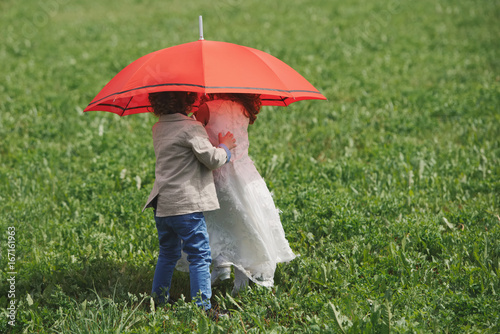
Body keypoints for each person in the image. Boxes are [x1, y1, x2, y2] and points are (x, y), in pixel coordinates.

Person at [142, 91, 236, 311]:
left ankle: (159, 300)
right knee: (199, 255)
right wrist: (225, 147)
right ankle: (202, 308)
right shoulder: (191, 128)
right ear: (189, 101)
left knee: (167, 253)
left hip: (163, 203)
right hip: (186, 205)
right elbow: (212, 160)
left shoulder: (159, 128)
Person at [196, 93, 297, 295]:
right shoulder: (244, 108)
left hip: (217, 175)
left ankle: (225, 271)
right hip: (244, 173)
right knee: (241, 224)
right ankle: (230, 272)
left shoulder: (206, 108)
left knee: (215, 222)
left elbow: (195, 138)